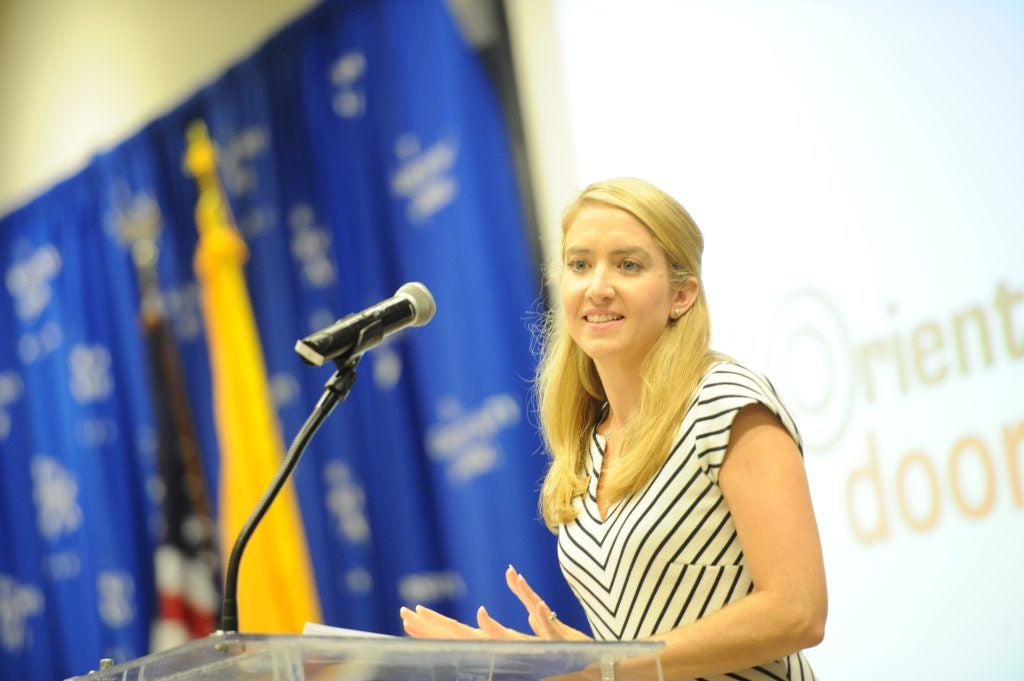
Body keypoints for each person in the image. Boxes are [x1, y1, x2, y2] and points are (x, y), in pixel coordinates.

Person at [400, 177, 827, 680]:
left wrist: (605, 667)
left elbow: (797, 611)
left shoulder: (725, 403)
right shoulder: (586, 442)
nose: (597, 286)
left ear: (682, 295)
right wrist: (541, 658)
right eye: (579, 264)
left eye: (628, 265)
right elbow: (641, 640)